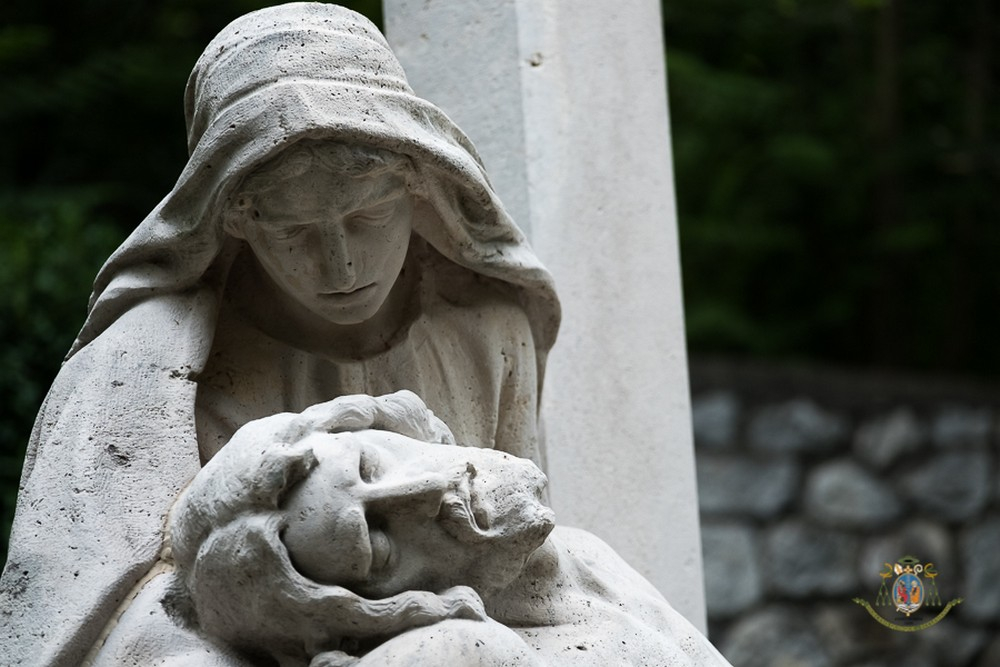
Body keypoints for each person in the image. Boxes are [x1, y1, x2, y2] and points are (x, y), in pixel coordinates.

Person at [0, 4, 559, 665]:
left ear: (418, 187)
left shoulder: (488, 330)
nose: (341, 265)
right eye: (295, 232)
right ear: (235, 216)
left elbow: (528, 561)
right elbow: (86, 611)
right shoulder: (148, 357)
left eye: (369, 216)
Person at [90, 392, 732, 667]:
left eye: (369, 464)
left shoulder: (579, 557)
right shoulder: (461, 652)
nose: (428, 495)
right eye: (379, 544)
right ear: (372, 620)